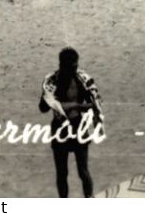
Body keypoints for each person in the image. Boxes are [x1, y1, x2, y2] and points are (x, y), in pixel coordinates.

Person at [40, 47, 103, 197]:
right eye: (72, 67)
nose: (75, 70)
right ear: (62, 65)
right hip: (60, 128)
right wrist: (47, 98)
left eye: (76, 66)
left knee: (83, 170)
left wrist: (81, 109)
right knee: (62, 173)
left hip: (78, 125)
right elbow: (43, 108)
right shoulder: (51, 81)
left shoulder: (82, 79)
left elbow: (95, 103)